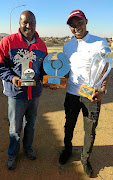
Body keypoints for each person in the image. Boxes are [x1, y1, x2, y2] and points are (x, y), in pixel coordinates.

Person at [0, 10, 47, 170]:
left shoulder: (41, 45)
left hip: (34, 94)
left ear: (36, 24)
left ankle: (28, 148)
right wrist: (11, 78)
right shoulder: (8, 41)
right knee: (15, 128)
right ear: (20, 23)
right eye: (25, 22)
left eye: (32, 22)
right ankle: (12, 154)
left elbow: (43, 69)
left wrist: (49, 79)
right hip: (16, 95)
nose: (29, 26)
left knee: (31, 124)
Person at [59, 10, 110, 177]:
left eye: (79, 22)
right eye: (72, 25)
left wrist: (103, 89)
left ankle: (85, 159)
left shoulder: (100, 42)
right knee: (69, 125)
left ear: (86, 21)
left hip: (91, 96)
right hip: (72, 94)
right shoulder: (67, 46)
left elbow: (106, 68)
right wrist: (56, 81)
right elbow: (67, 71)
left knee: (90, 130)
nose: (76, 27)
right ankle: (67, 150)